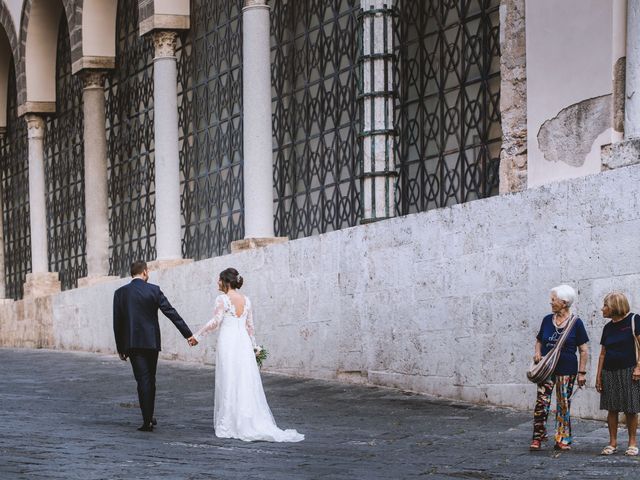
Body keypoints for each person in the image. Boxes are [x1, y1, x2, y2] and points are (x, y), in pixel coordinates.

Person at [190, 267, 304, 442]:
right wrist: (254, 347)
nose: (217, 283)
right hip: (242, 342)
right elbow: (250, 327)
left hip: (228, 342)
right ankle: (246, 419)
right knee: (244, 379)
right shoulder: (247, 300)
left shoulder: (222, 299)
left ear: (226, 282)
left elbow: (216, 321)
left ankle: (229, 422)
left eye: (219, 280)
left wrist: (197, 336)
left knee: (229, 378)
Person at [113, 260, 197, 431]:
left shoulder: (120, 293)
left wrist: (120, 348)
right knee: (150, 379)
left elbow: (118, 323)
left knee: (142, 380)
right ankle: (149, 416)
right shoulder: (154, 290)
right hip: (151, 342)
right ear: (145, 272)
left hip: (133, 344)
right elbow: (170, 312)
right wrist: (188, 334)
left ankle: (147, 420)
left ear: (132, 273)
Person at [530, 284, 589, 451]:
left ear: (564, 302)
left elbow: (584, 350)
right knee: (542, 402)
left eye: (553, 300)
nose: (551, 302)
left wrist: (582, 373)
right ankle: (537, 437)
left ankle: (562, 438)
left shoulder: (576, 323)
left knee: (563, 403)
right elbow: (539, 340)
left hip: (567, 369)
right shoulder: (547, 319)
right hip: (547, 369)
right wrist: (537, 352)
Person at [596, 292, 640, 456]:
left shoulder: (634, 320)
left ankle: (632, 443)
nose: (602, 309)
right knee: (612, 408)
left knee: (630, 408)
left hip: (629, 370)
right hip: (609, 371)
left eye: (605, 305)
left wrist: (638, 367)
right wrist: (598, 376)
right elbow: (602, 353)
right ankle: (612, 443)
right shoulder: (607, 328)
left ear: (615, 306)